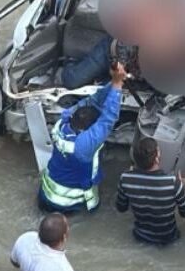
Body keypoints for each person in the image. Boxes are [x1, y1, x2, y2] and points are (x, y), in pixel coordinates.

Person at [39, 62, 126, 212]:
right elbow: (108, 119)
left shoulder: (63, 121)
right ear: (87, 131)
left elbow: (91, 102)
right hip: (67, 204)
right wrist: (117, 85)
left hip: (46, 194)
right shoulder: (83, 146)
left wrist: (114, 82)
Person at [115, 138, 185, 245]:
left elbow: (121, 208)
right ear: (156, 158)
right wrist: (181, 189)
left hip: (140, 237)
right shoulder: (173, 183)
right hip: (169, 239)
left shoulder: (125, 179)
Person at [60, 35, 140, 90]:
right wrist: (120, 64)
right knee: (72, 81)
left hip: (130, 72)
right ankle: (72, 61)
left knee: (102, 93)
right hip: (109, 52)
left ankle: (100, 77)